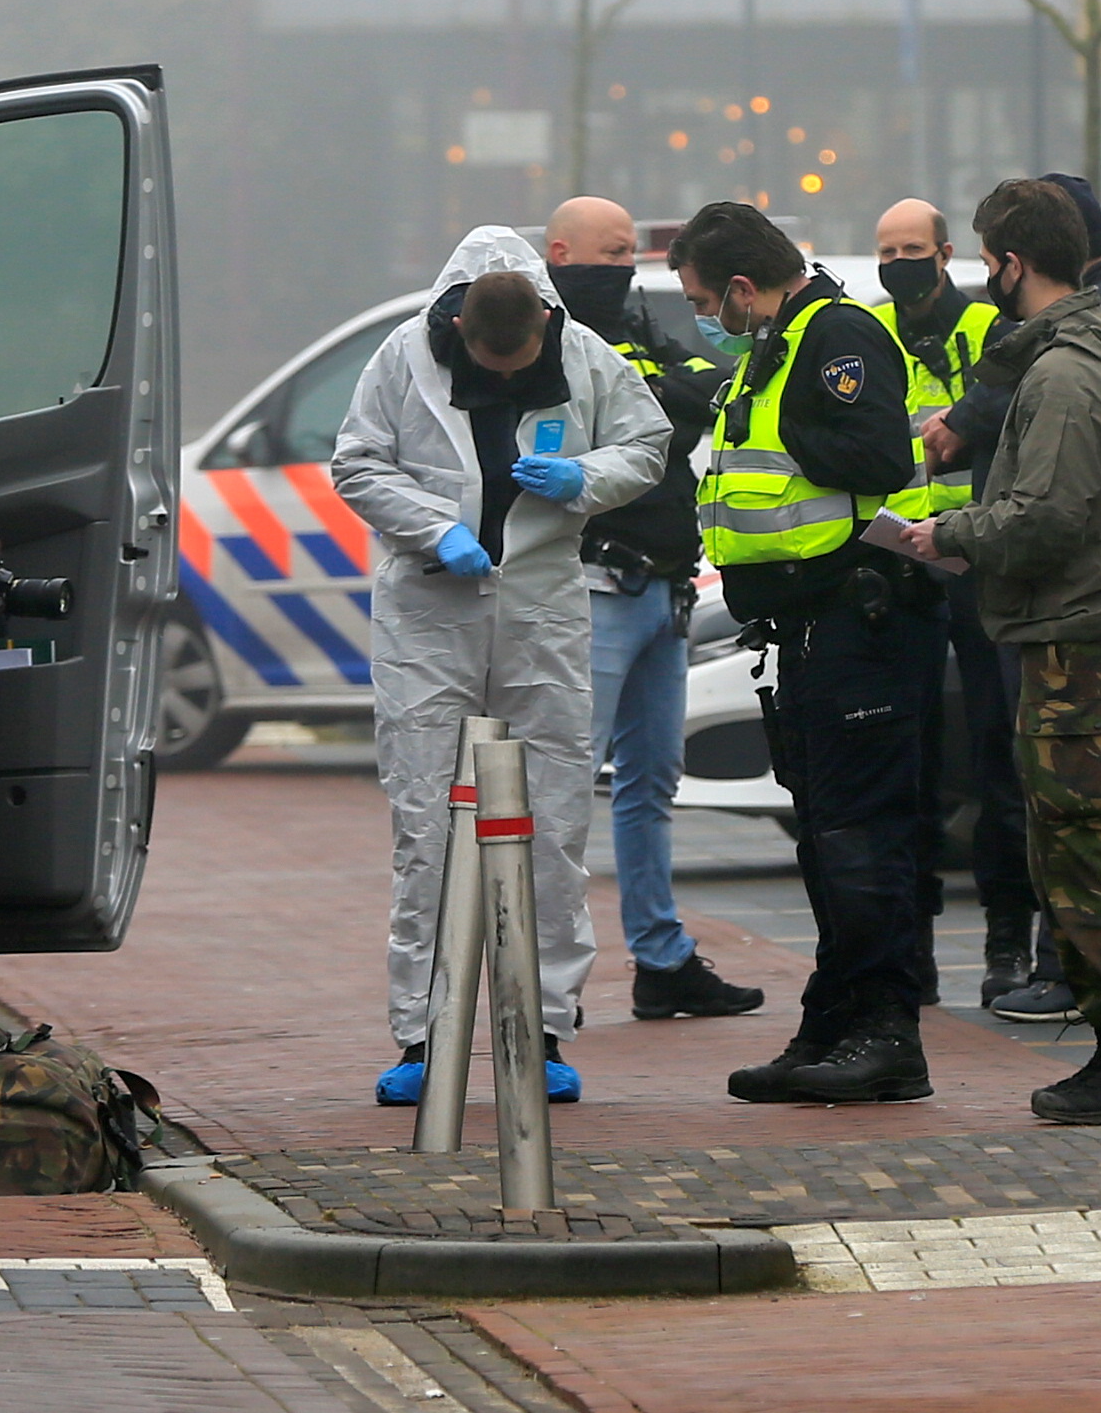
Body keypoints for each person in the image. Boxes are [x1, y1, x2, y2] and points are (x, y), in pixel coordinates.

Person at [333, 227, 670, 1107]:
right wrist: (431, 526)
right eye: (492, 364)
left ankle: (545, 1027)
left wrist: (584, 477)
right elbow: (357, 462)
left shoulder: (585, 355)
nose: (509, 377)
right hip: (429, 613)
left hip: (542, 611)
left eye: (522, 365)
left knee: (552, 822)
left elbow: (648, 445)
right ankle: (423, 1033)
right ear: (462, 335)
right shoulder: (404, 357)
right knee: (426, 824)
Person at [905, 178, 1101, 1125]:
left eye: (987, 259)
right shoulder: (1093, 350)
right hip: (1087, 620)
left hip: (1082, 626)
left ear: (1013, 264)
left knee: (1086, 842)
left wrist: (952, 534)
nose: (983, 275)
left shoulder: (1067, 371)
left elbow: (1049, 516)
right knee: (1072, 836)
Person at [671, 202, 933, 1104]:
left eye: (710, 303)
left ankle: (887, 1034)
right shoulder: (778, 349)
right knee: (828, 841)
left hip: (860, 623)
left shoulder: (836, 334)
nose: (709, 320)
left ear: (745, 287)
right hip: (810, 631)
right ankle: (833, 1020)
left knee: (863, 840)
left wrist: (784, 427)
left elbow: (873, 457)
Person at [542, 196, 763, 1022]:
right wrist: (657, 389)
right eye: (609, 253)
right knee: (565, 785)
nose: (622, 268)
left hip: (664, 587)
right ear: (561, 253)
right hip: (598, 585)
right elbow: (595, 416)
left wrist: (650, 383)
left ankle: (661, 957)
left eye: (631, 252)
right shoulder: (545, 334)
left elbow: (710, 388)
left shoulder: (631, 320)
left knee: (650, 785)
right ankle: (547, 974)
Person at [870, 199, 1036, 1009]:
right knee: (911, 764)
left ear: (943, 253)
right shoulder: (866, 334)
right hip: (897, 563)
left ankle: (1008, 940)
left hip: (976, 559)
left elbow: (1016, 411)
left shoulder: (985, 328)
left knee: (998, 758)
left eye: (914, 248)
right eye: (887, 250)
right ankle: (917, 945)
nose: (901, 263)